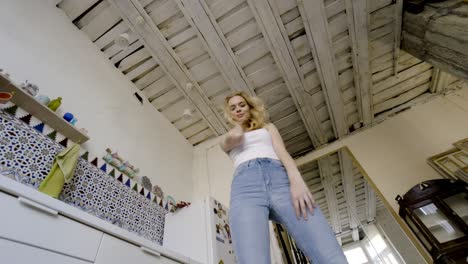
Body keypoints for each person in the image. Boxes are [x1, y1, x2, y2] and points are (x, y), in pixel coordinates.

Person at [220, 91, 348, 264]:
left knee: (329, 252)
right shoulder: (225, 139)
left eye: (242, 105)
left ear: (250, 107)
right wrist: (237, 124)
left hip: (280, 181)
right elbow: (235, 137)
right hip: (245, 189)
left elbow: (282, 152)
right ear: (229, 114)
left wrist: (297, 181)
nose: (238, 109)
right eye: (233, 108)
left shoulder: (268, 127)